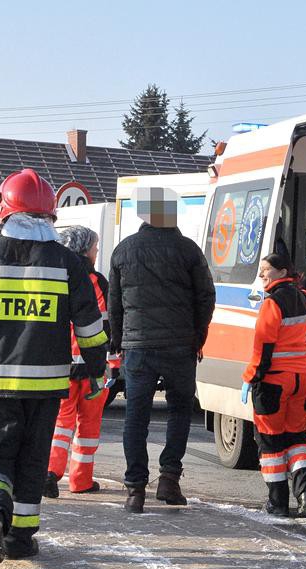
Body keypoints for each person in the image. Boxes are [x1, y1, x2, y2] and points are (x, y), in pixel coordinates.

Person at [0, 168, 107, 565]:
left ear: (5, 212)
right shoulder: (69, 263)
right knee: (32, 459)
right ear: (50, 216)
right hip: (46, 385)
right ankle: (19, 540)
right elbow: (90, 327)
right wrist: (98, 370)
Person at [108, 187, 215, 513]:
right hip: (180, 345)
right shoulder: (188, 250)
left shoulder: (123, 251)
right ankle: (169, 479)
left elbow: (115, 305)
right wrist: (197, 335)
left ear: (142, 214)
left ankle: (135, 489)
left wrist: (119, 340)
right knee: (180, 410)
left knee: (136, 417)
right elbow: (206, 297)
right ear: (172, 213)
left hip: (138, 347)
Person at [242, 253, 306, 518]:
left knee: (271, 444)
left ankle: (278, 502)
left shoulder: (272, 304)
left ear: (282, 272)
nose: (261, 275)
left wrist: (250, 378)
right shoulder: (303, 298)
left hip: (274, 382)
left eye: (265, 270)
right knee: (296, 439)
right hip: (301, 380)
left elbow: (263, 346)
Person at [43, 226, 111, 498]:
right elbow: (106, 325)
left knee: (61, 424)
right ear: (85, 250)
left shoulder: (55, 277)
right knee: (88, 426)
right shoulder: (97, 281)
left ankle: (50, 473)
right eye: (94, 247)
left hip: (61, 367)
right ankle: (81, 481)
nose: (96, 251)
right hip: (92, 366)